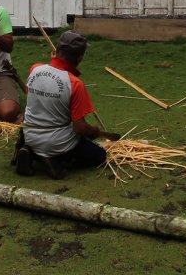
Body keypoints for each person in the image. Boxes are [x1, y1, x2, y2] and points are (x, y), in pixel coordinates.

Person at [14, 30, 119, 178]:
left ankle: (31, 152)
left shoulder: (35, 68)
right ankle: (54, 158)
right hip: (57, 143)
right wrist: (93, 131)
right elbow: (79, 128)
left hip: (30, 135)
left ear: (56, 50)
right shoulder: (75, 84)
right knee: (99, 155)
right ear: (79, 57)